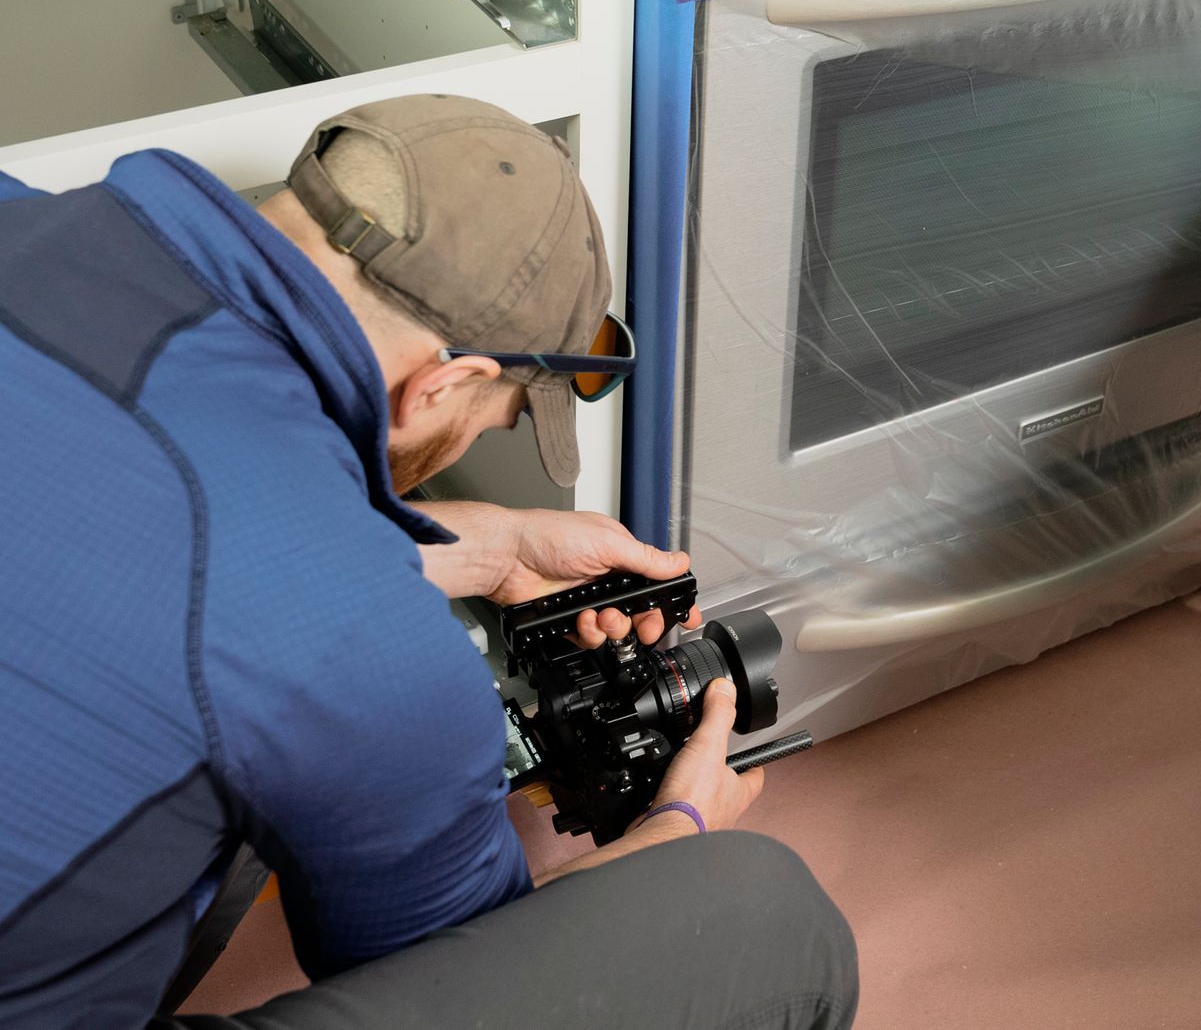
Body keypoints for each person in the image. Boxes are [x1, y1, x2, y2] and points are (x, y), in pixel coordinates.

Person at [0, 95, 857, 1029]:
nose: (471, 443)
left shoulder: (25, 215)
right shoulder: (372, 665)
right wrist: (672, 836)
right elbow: (458, 968)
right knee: (763, 915)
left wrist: (484, 549)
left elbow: (141, 519)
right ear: (443, 382)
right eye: (495, 418)